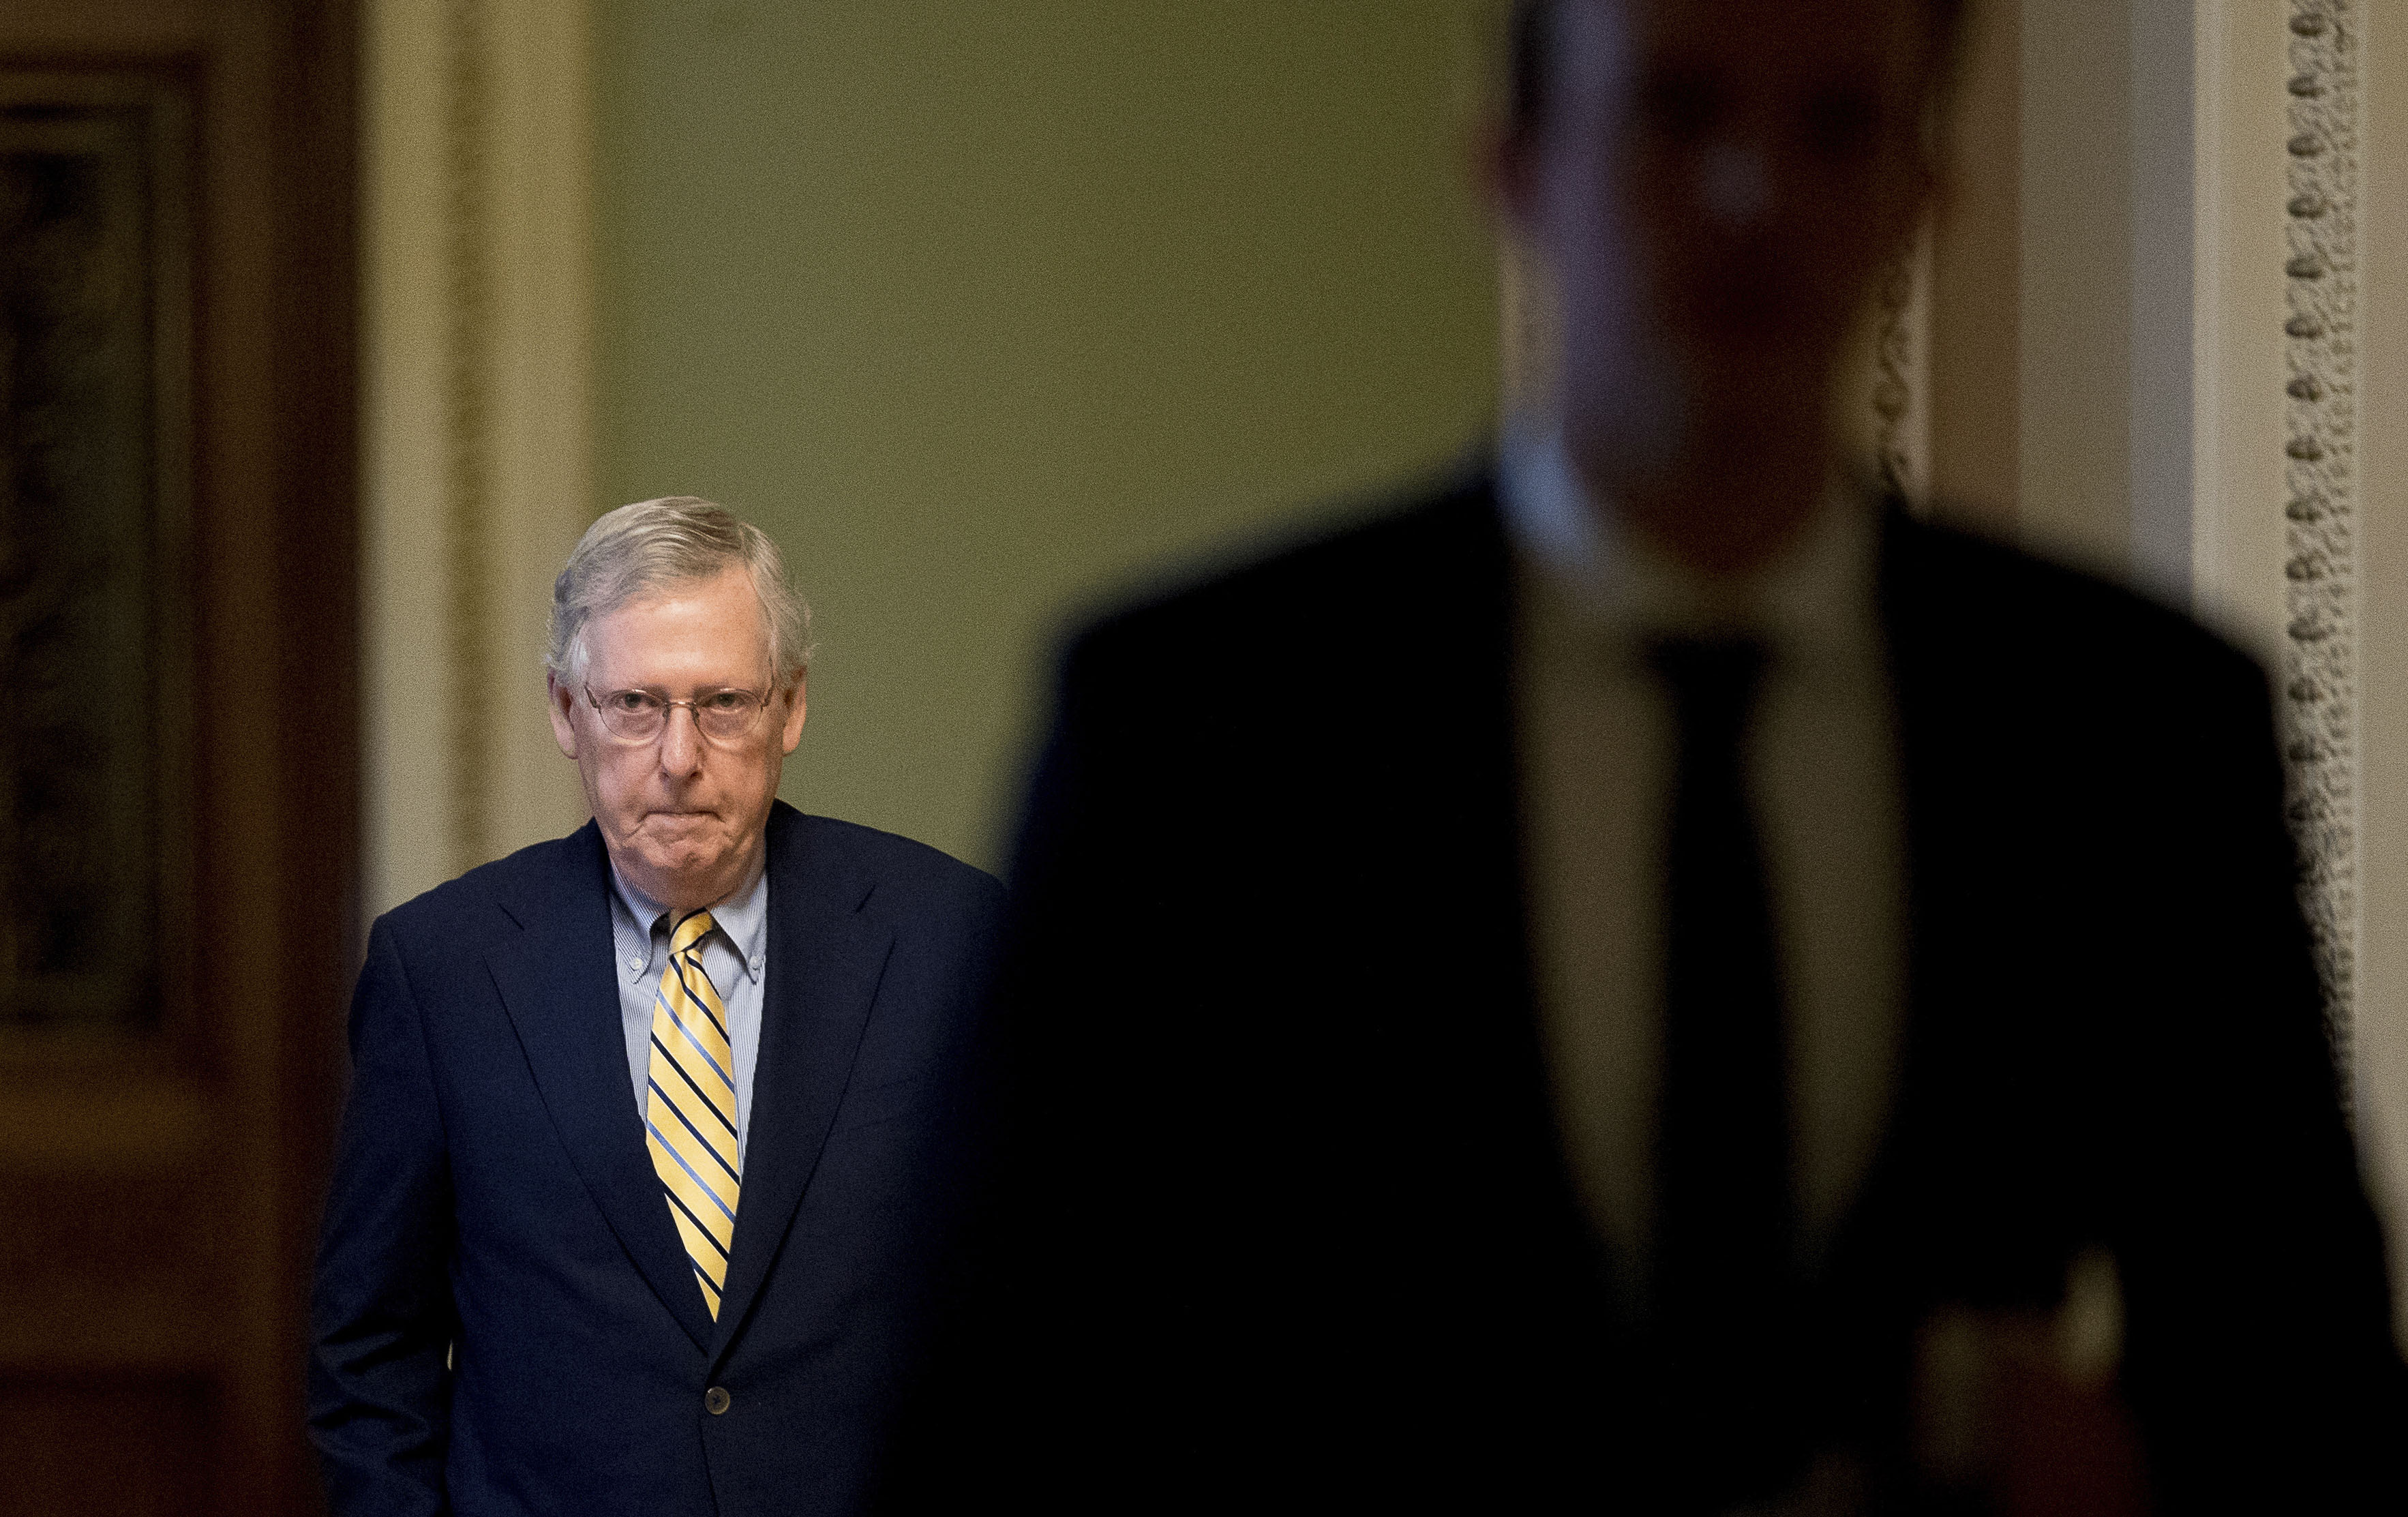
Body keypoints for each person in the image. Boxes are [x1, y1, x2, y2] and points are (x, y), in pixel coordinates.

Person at [885, 1, 2407, 1511]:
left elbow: (2301, 1383)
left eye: (1832, 126)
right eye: (1675, 113)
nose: (1753, 193)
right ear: (1511, 159)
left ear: (1919, 189)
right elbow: (994, 1399)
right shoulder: (1207, 726)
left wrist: (2105, 1455)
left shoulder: (2122, 728)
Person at [310, 498, 1002, 1516]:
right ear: (564, 711)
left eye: (722, 702)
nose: (679, 757)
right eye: (635, 704)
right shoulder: (443, 969)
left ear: (792, 707)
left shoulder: (949, 939)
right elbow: (371, 1355)